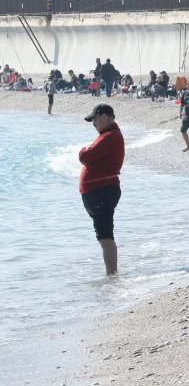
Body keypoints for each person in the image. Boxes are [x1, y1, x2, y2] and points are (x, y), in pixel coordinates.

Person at [79, 104, 125, 275]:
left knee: (105, 237)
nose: (93, 123)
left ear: (105, 116)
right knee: (104, 236)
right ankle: (111, 275)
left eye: (94, 119)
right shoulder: (108, 135)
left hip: (101, 191)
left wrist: (83, 150)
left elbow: (85, 157)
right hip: (100, 191)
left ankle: (111, 277)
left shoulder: (109, 136)